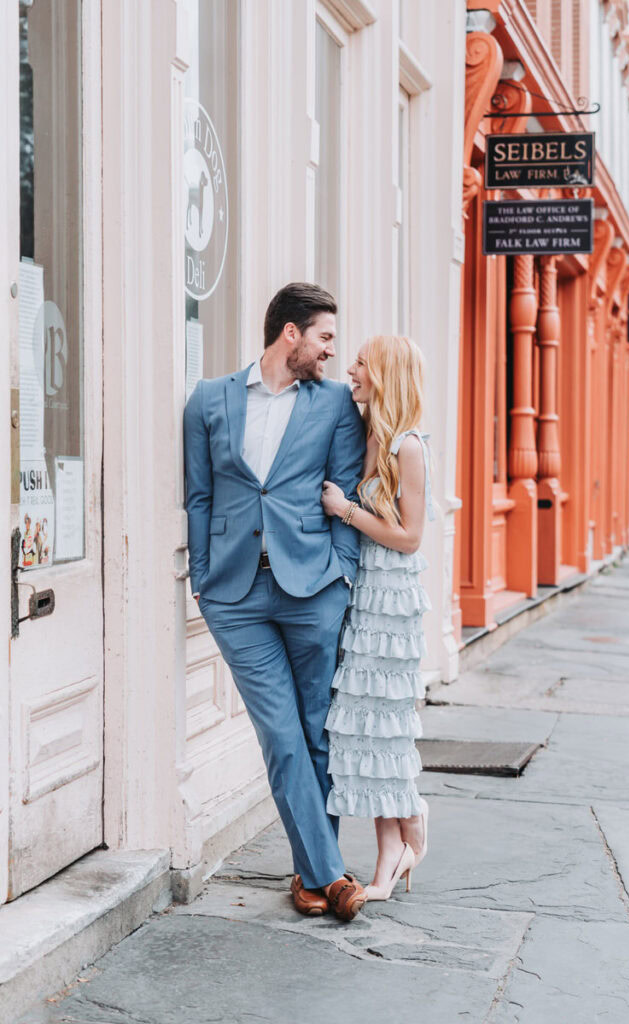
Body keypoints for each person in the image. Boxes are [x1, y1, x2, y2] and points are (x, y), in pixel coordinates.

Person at [184, 282, 368, 922]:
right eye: (324, 338)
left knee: (320, 734)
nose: (330, 351)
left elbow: (344, 489)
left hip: (313, 589)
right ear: (289, 333)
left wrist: (341, 571)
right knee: (282, 736)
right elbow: (200, 497)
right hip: (236, 596)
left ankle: (311, 876)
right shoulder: (209, 400)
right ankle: (333, 876)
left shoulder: (338, 405)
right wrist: (203, 578)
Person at [321, 335, 433, 901]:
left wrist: (345, 509)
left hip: (392, 605)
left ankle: (401, 840)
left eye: (362, 362)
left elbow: (410, 538)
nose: (352, 369)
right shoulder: (374, 435)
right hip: (366, 597)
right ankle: (400, 839)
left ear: (385, 374)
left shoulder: (408, 447)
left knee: (382, 726)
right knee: (363, 726)